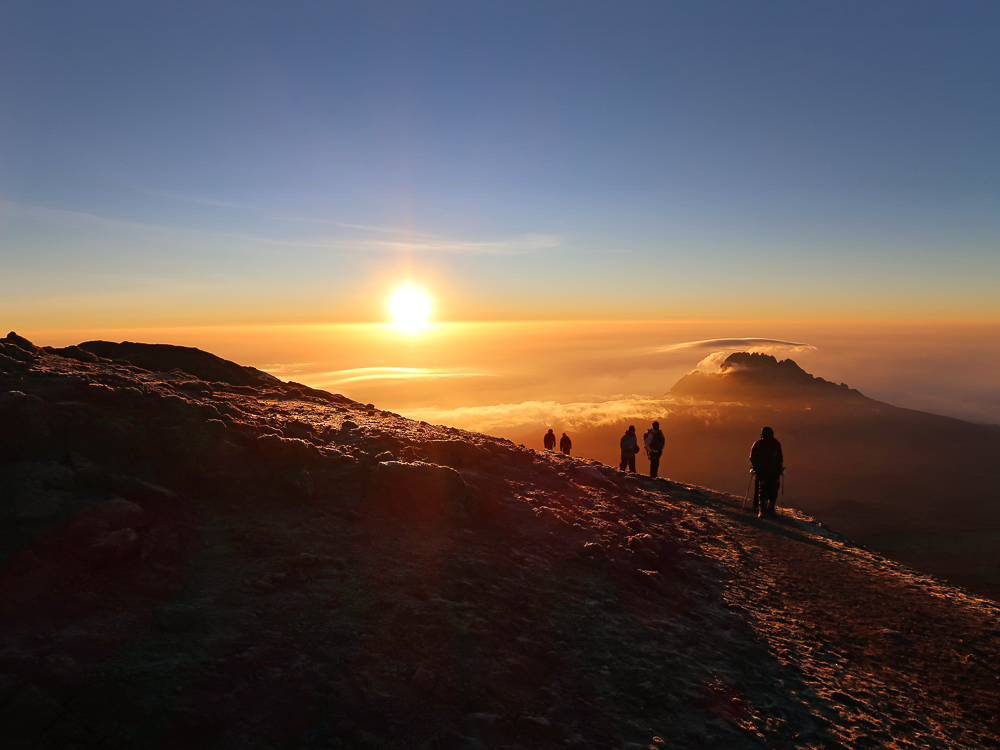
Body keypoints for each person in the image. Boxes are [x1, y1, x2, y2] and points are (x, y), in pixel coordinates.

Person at [749, 426, 783, 517]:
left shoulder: (775, 444)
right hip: (763, 471)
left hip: (772, 471)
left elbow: (779, 457)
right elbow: (753, 458)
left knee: (773, 489)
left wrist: (779, 468)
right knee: (763, 489)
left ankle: (770, 509)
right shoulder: (759, 444)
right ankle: (763, 509)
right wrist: (757, 468)